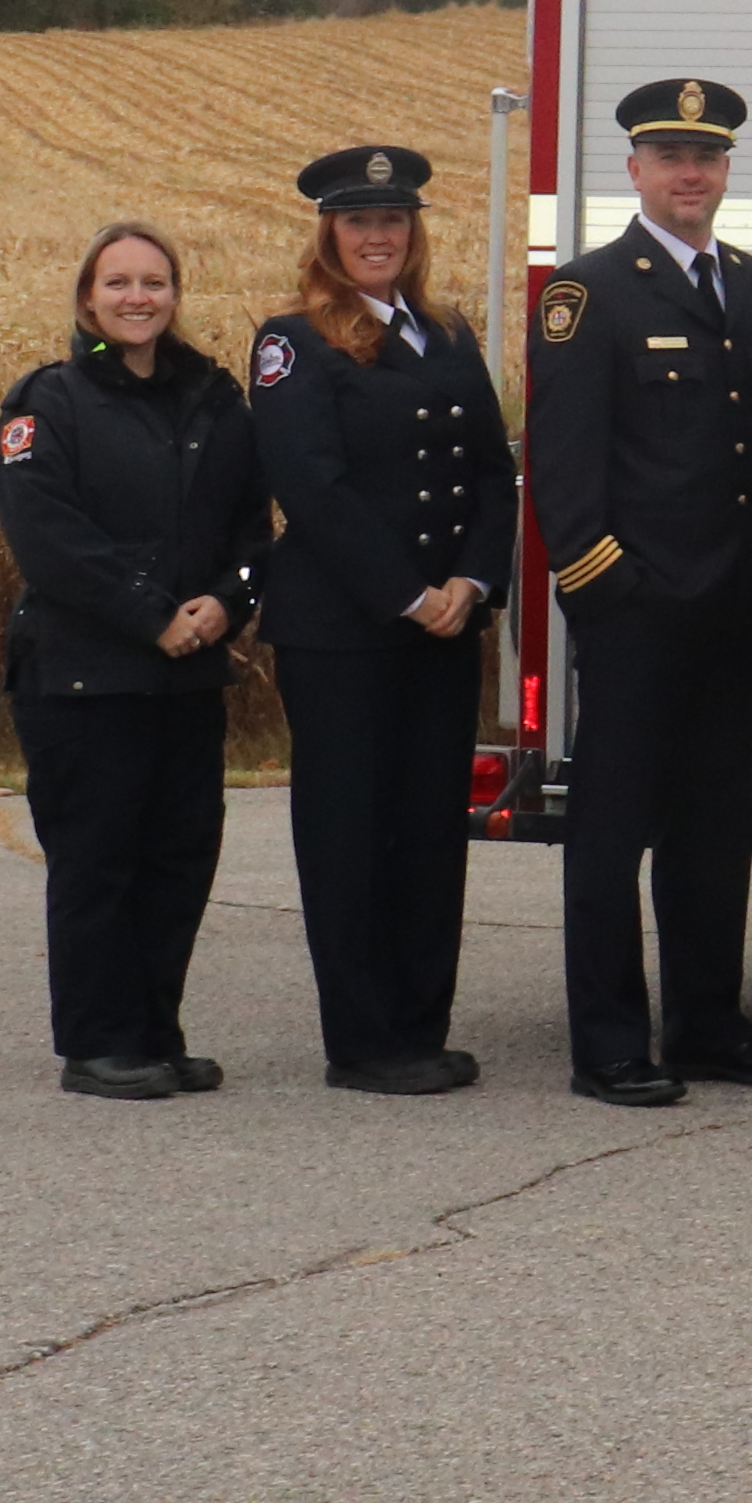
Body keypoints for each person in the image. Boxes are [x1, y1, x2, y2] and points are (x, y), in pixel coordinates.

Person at [524, 75, 752, 1106]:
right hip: (640, 609)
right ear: (634, 170)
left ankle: (706, 1023)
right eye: (671, 155)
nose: (692, 173)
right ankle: (609, 1042)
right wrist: (608, 590)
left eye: (709, 156)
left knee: (714, 826)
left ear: (726, 170)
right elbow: (563, 465)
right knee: (612, 830)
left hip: (734, 607)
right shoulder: (590, 291)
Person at [248, 142, 513, 1095]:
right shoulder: (293, 339)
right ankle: (363, 1041)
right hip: (346, 629)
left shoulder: (445, 333)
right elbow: (309, 486)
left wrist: (473, 584)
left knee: (430, 827)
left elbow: (492, 470)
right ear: (329, 234)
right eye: (359, 222)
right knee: (352, 830)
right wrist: (408, 593)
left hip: (446, 624)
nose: (377, 236)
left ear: (414, 231)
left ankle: (420, 1025)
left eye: (392, 221)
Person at [0, 222, 261, 1098]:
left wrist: (229, 599)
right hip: (83, 677)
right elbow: (51, 541)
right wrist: (152, 618)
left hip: (187, 674)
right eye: (119, 283)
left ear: (176, 296)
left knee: (179, 859)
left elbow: (253, 526)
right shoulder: (46, 405)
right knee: (98, 860)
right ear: (87, 298)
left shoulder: (215, 401)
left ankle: (155, 1031)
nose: (138, 298)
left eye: (155, 282)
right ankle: (99, 1042)